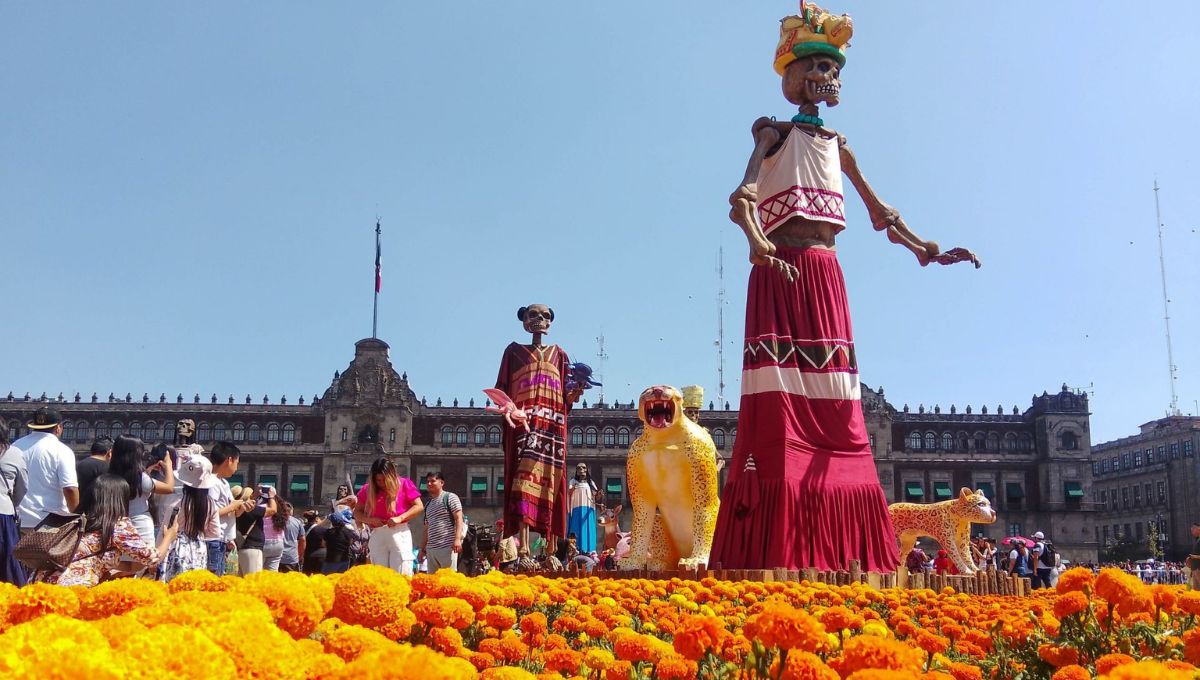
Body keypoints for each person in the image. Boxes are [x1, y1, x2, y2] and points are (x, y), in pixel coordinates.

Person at [709, 4, 977, 573]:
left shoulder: (838, 144)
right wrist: (759, 243)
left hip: (826, 273)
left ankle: (842, 541)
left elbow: (881, 214)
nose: (827, 76)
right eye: (817, 66)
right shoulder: (774, 133)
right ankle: (781, 535)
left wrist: (926, 248)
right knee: (781, 398)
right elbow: (742, 198)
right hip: (781, 267)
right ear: (796, 75)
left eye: (833, 68)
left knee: (838, 398)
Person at [493, 304, 584, 555]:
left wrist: (574, 393)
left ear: (550, 323)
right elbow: (501, 389)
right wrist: (508, 409)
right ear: (523, 320)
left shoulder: (560, 354)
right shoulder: (513, 352)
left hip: (552, 426)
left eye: (545, 316)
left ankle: (551, 550)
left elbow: (566, 397)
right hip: (524, 425)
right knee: (523, 482)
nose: (539, 320)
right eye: (533, 315)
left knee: (553, 481)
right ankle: (524, 550)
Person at [54, 474, 175, 587]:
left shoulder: (78, 521)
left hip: (51, 587)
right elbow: (152, 558)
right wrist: (169, 537)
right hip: (79, 589)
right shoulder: (117, 525)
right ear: (120, 499)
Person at [353, 457, 423, 575]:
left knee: (401, 570)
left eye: (384, 479)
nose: (381, 483)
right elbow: (357, 513)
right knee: (379, 573)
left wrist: (400, 518)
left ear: (391, 476)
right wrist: (370, 520)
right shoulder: (367, 489)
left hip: (399, 532)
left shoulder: (404, 484)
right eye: (378, 480)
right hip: (378, 533)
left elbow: (419, 506)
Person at [14, 407, 79, 531]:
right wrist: (76, 518)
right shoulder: (62, 450)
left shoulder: (15, 446)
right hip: (50, 523)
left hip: (18, 520)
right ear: (58, 428)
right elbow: (70, 488)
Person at [160, 452, 221, 581]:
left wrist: (157, 555)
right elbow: (214, 533)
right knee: (194, 585)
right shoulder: (211, 504)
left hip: (177, 547)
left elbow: (165, 531)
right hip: (199, 547)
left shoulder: (177, 502)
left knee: (175, 584)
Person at [107, 435, 175, 547]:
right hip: (139, 525)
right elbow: (169, 488)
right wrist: (168, 466)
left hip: (116, 526)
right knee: (145, 557)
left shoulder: (108, 475)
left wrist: (148, 471)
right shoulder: (140, 478)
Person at [206, 442, 249, 576]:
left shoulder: (223, 482)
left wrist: (240, 509)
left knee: (220, 576)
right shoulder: (211, 482)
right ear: (229, 460)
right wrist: (232, 506)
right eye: (237, 462)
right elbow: (210, 512)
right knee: (214, 578)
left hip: (223, 539)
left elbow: (230, 512)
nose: (236, 467)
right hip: (214, 539)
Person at [418, 471, 464, 573]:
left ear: (442, 483)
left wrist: (457, 539)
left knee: (448, 579)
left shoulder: (450, 497)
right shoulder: (428, 505)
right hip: (431, 550)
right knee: (432, 581)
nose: (429, 484)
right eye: (427, 481)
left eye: (433, 481)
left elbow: (459, 518)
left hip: (447, 548)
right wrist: (421, 549)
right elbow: (426, 528)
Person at [0, 422, 28, 585]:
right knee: (7, 566)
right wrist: (12, 504)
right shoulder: (14, 454)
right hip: (3, 513)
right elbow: (22, 488)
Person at [236, 486, 277, 575]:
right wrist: (271, 497)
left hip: (242, 546)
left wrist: (255, 495)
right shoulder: (251, 509)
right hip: (253, 547)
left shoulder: (237, 510)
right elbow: (273, 510)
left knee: (244, 579)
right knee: (254, 579)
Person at [567, 463, 599, 554]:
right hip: (576, 509)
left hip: (588, 510)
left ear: (586, 470)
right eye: (579, 468)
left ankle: (590, 551)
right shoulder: (573, 481)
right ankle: (575, 551)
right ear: (576, 471)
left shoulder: (590, 482)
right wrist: (574, 487)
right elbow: (569, 492)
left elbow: (595, 496)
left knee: (588, 530)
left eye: (584, 467)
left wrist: (599, 495)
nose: (581, 469)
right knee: (575, 529)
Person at [75, 436, 113, 511]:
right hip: (101, 511)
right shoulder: (109, 468)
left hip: (80, 509)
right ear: (109, 452)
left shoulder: (77, 465)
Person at [322, 508, 357, 574]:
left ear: (332, 522)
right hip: (345, 560)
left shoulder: (328, 532)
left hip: (331, 560)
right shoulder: (348, 531)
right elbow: (350, 542)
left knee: (328, 578)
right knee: (341, 578)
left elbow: (323, 544)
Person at [261, 490, 288, 571]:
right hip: (278, 543)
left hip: (263, 542)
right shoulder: (281, 509)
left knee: (258, 572)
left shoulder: (262, 507)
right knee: (272, 573)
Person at [279, 502, 306, 573]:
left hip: (275, 557)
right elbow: (302, 540)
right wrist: (300, 556)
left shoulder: (273, 521)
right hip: (291, 558)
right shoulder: (297, 522)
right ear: (291, 511)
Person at [1188, 522, 1200, 591]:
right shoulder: (1196, 540)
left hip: (1198, 569)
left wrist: (1194, 557)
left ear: (1198, 529)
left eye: (1193, 529)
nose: (1191, 531)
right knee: (1196, 591)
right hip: (1195, 569)